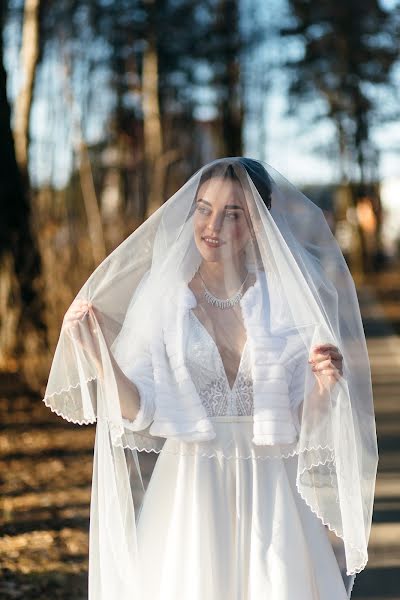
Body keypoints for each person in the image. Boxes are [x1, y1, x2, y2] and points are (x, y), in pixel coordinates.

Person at [44, 158, 378, 600]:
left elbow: (300, 423)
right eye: (203, 209)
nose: (212, 224)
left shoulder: (285, 301)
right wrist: (98, 355)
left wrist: (323, 387)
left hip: (271, 491)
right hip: (189, 490)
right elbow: (140, 410)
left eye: (232, 213)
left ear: (258, 222)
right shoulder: (164, 296)